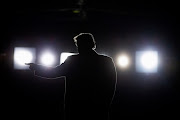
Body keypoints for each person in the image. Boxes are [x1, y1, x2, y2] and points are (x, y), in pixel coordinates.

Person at [26, 33, 117, 120]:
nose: (78, 47)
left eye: (79, 44)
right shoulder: (106, 61)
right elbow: (111, 84)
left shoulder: (73, 60)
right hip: (98, 108)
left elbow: (55, 72)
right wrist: (106, 104)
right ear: (92, 44)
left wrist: (37, 68)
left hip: (75, 106)